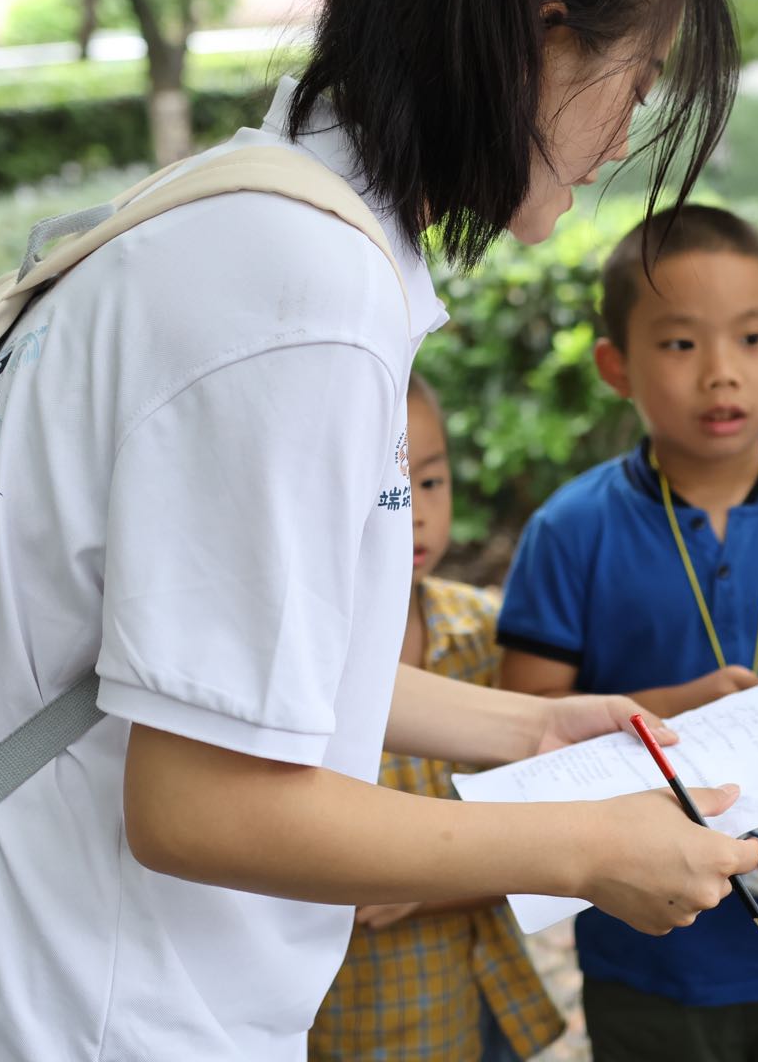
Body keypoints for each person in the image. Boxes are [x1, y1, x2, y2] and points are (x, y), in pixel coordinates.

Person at [0, 0, 758, 1058]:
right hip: (79, 1018)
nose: (624, 134)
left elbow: (197, 664)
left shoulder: (241, 220)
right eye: (636, 78)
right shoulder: (300, 302)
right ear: (537, 40)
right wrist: (578, 845)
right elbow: (201, 802)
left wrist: (532, 726)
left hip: (22, 986)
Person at [498, 206, 758, 1061]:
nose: (723, 374)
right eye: (681, 344)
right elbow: (525, 723)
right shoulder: (571, 532)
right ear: (616, 365)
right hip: (650, 958)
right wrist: (680, 709)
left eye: (752, 339)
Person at [310, 374, 564, 1062]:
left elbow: (545, 800)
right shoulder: (300, 656)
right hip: (356, 1025)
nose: (414, 513)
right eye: (386, 489)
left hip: (485, 1000)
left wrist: (428, 884)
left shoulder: (482, 629)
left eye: (430, 482)